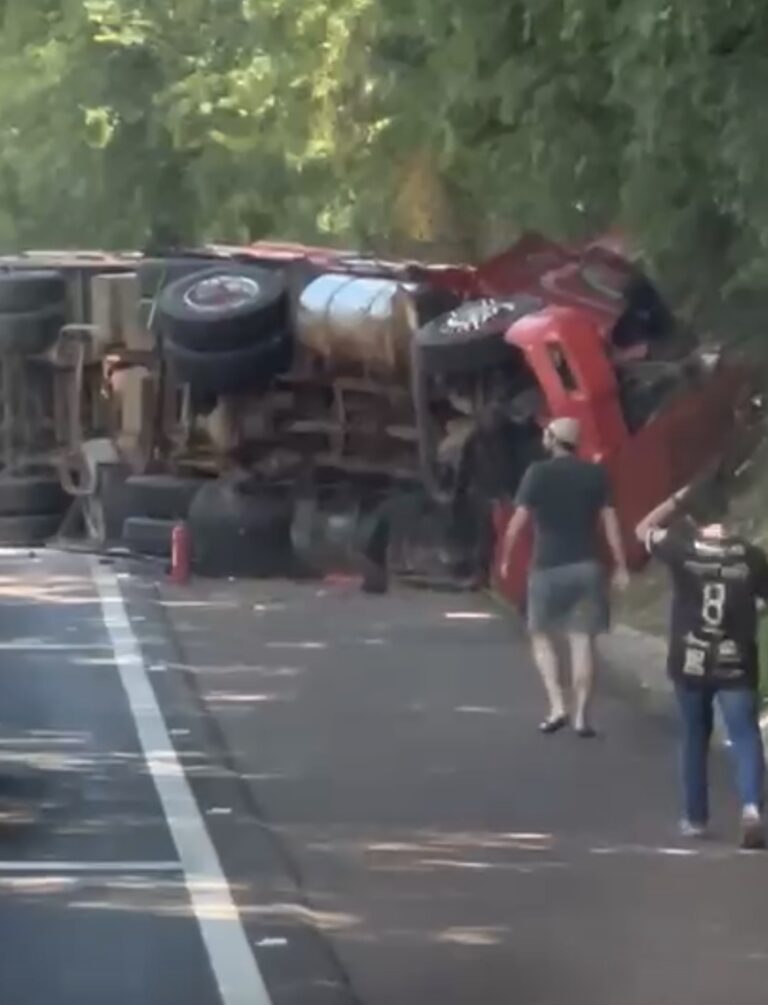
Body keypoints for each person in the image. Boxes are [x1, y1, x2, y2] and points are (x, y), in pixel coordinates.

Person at [636, 482, 768, 849]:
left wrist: (676, 497)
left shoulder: (680, 548)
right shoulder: (750, 556)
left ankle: (696, 818)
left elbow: (641, 530)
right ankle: (753, 808)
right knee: (744, 734)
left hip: (690, 659)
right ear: (729, 514)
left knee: (694, 735)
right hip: (735, 660)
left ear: (694, 518)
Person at [500, 417, 629, 736]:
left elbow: (518, 521)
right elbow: (610, 522)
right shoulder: (596, 474)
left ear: (552, 439)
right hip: (587, 567)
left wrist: (505, 556)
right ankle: (582, 717)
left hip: (546, 568)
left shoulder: (537, 473)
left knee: (541, 636)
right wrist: (621, 564)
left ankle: (557, 706)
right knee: (582, 640)